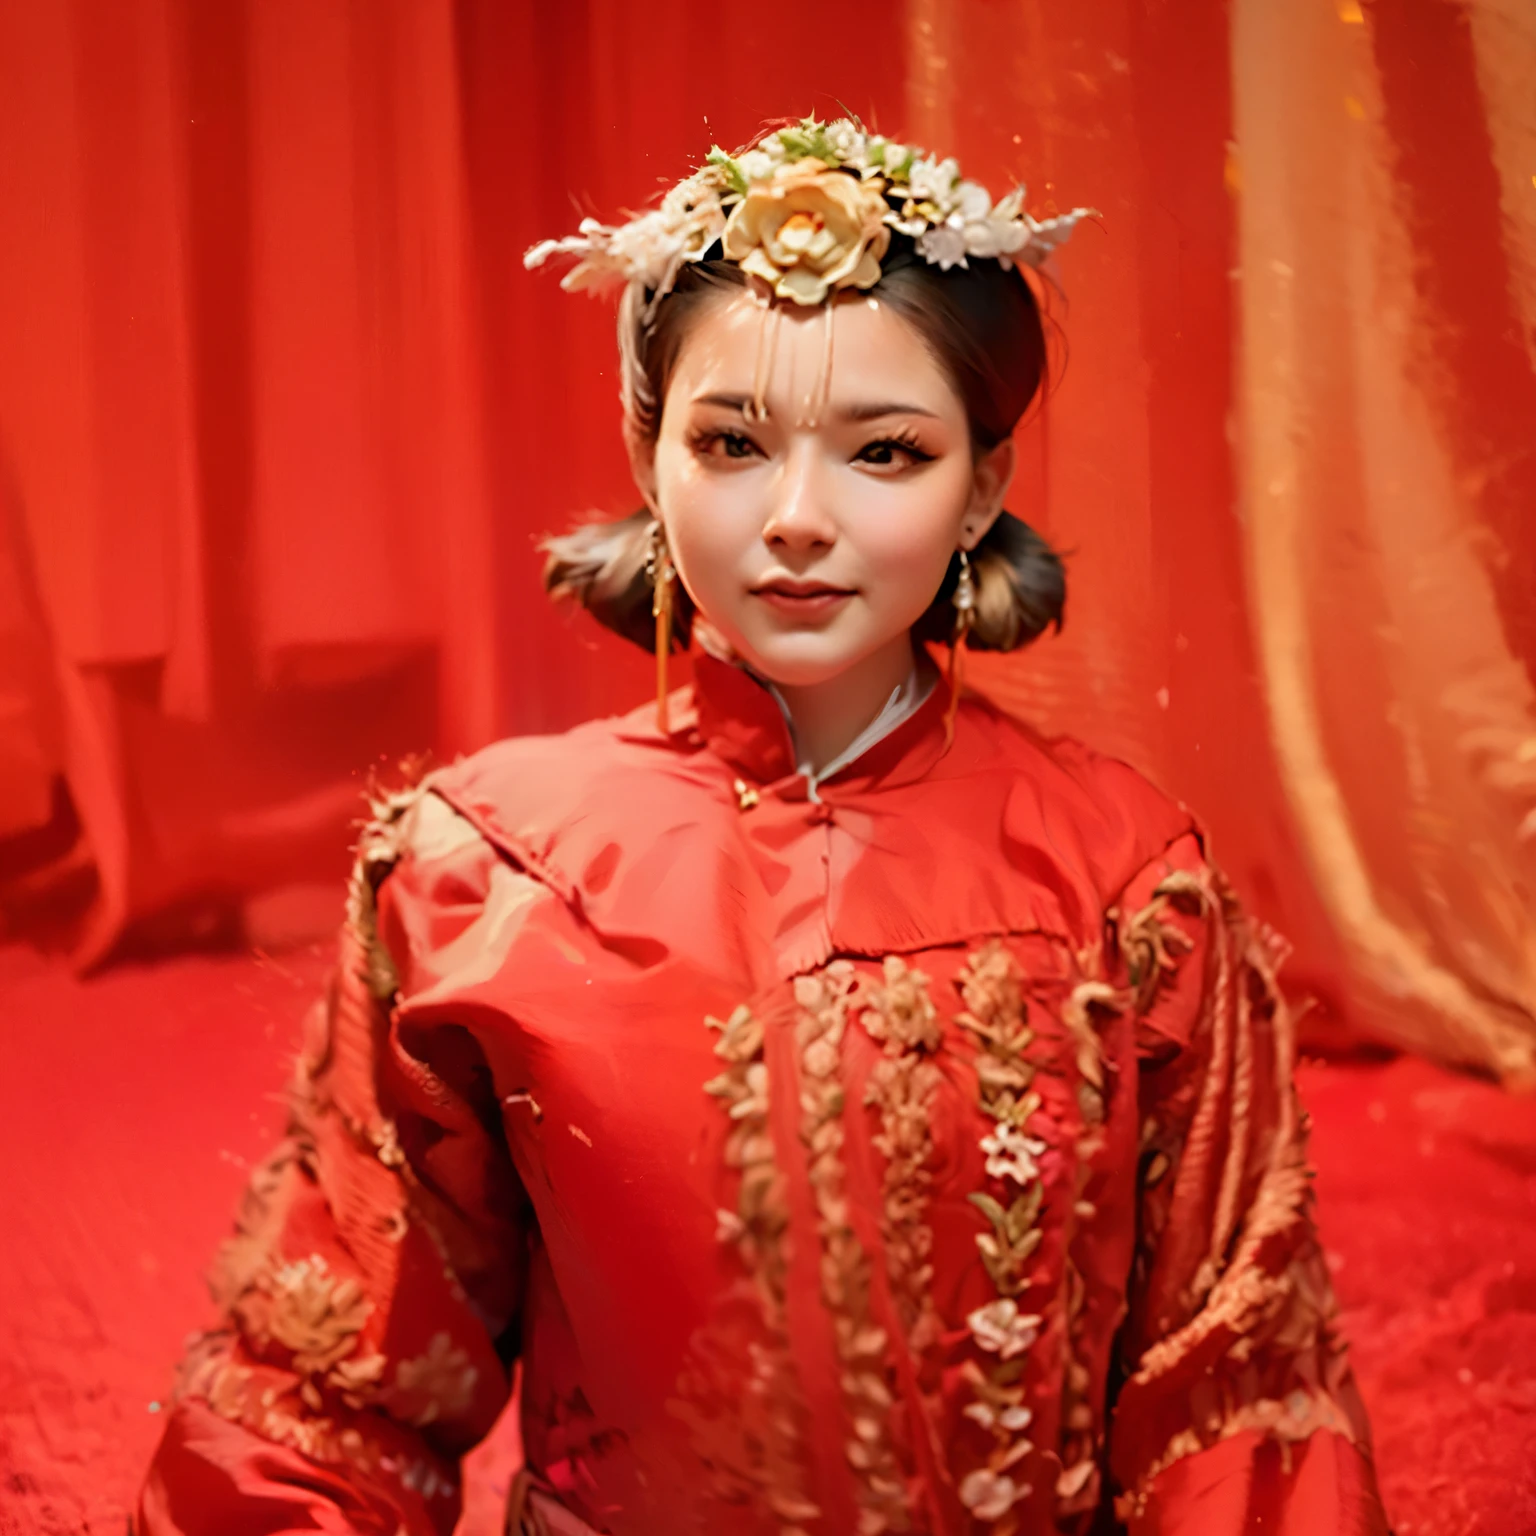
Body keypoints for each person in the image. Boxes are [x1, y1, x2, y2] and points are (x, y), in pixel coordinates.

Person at [137, 116, 1387, 1535]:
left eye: (886, 454)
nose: (796, 518)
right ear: (647, 454)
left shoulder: (1122, 880)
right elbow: (330, 1387)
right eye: (732, 442)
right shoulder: (485, 869)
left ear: (984, 483)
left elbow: (1233, 1397)